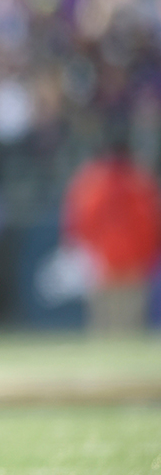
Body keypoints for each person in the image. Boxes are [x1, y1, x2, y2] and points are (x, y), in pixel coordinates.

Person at [61, 124, 161, 334]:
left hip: (103, 257)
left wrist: (82, 249)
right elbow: (151, 223)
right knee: (129, 321)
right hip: (132, 259)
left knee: (104, 321)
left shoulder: (92, 181)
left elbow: (79, 220)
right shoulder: (140, 181)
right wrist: (148, 255)